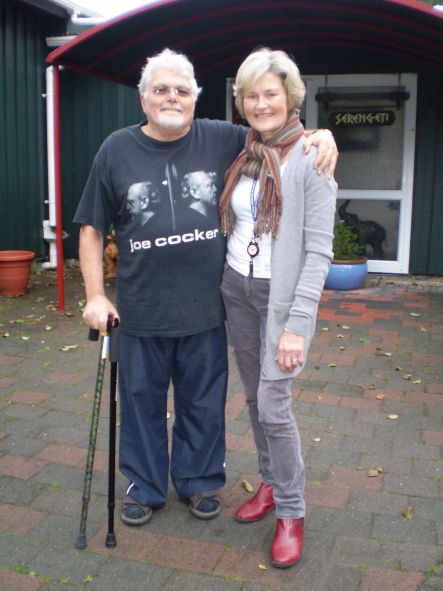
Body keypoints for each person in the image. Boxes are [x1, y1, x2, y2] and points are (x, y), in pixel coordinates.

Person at [74, 48, 338, 527]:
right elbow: (90, 228)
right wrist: (95, 295)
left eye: (181, 90)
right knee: (140, 403)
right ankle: (145, 486)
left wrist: (322, 134)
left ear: (195, 98)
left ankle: (198, 483)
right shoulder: (115, 149)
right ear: (143, 98)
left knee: (203, 404)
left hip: (208, 309)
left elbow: (278, 132)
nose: (171, 98)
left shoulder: (224, 138)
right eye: (161, 89)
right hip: (141, 309)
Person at [219, 48, 337, 568]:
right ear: (241, 101)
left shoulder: (313, 155)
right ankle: (268, 483)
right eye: (251, 94)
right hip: (236, 288)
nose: (261, 103)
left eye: (271, 93)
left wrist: (298, 324)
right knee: (252, 397)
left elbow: (319, 250)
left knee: (273, 403)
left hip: (280, 297)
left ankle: (291, 510)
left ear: (290, 98)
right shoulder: (244, 151)